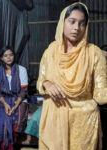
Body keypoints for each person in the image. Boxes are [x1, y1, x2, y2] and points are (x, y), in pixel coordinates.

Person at [37, 2, 107, 150]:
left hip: (83, 125)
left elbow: (101, 94)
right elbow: (40, 82)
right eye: (72, 21)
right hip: (54, 120)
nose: (76, 28)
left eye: (82, 24)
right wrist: (46, 84)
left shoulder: (94, 53)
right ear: (63, 21)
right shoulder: (51, 51)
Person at [0, 46, 29, 150]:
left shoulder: (21, 70)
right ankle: (4, 146)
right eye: (5, 55)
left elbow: (23, 91)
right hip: (3, 99)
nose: (9, 58)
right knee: (0, 117)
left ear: (14, 56)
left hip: (19, 99)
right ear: (1, 58)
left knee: (15, 120)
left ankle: (13, 145)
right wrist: (6, 104)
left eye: (11, 55)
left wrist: (15, 106)